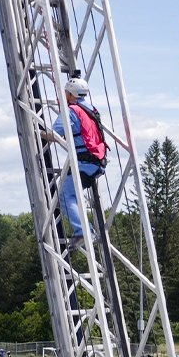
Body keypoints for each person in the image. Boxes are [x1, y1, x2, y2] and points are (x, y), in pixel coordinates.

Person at [44, 77, 105, 250]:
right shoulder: (91, 109)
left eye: (66, 92)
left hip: (84, 162)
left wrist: (37, 133)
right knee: (73, 194)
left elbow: (54, 135)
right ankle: (86, 230)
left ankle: (82, 232)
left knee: (65, 194)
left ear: (70, 94)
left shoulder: (71, 111)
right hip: (97, 161)